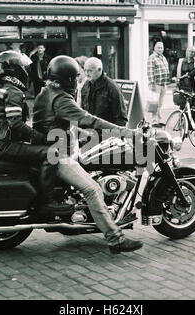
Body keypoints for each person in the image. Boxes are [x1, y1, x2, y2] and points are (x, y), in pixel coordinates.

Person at [33, 55, 143, 254]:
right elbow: (89, 119)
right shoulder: (61, 98)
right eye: (75, 77)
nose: (77, 81)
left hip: (53, 149)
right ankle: (115, 239)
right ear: (67, 78)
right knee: (93, 190)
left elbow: (55, 123)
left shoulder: (46, 93)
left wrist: (82, 135)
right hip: (58, 156)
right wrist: (127, 132)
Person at [0, 50, 69, 214]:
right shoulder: (13, 91)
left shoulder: (0, 87)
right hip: (7, 145)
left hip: (1, 142)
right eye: (23, 67)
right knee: (51, 153)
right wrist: (41, 138)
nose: (25, 70)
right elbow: (15, 123)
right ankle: (48, 201)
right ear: (16, 69)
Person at [80, 57, 128, 126]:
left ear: (99, 70)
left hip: (106, 132)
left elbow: (121, 118)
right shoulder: (85, 86)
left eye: (90, 71)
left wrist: (113, 134)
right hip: (89, 132)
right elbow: (83, 111)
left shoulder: (112, 88)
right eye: (85, 70)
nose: (87, 74)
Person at [147, 41, 170, 123]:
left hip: (163, 84)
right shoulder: (152, 57)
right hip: (156, 84)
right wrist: (152, 83)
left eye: (161, 48)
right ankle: (154, 119)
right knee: (155, 102)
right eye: (158, 47)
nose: (160, 49)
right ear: (154, 48)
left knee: (160, 102)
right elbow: (150, 71)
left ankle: (159, 118)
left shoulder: (163, 57)